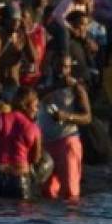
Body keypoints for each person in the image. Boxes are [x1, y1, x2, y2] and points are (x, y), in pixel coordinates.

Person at [38, 53, 91, 200]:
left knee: (69, 192)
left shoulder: (77, 88)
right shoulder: (44, 83)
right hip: (46, 142)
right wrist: (55, 87)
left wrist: (67, 116)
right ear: (52, 65)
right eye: (59, 66)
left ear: (70, 69)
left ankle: (70, 221)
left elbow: (87, 117)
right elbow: (34, 95)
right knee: (47, 191)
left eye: (66, 67)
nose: (62, 70)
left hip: (67, 141)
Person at [0, 86, 42, 199]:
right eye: (36, 106)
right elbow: (36, 159)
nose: (37, 110)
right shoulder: (34, 128)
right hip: (20, 179)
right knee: (22, 213)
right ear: (27, 106)